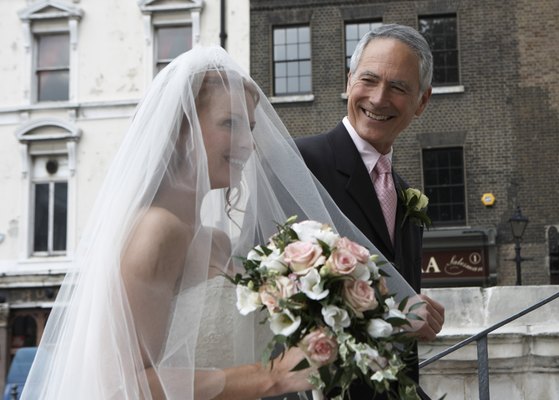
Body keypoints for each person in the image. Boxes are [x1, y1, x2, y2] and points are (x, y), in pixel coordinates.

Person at [21, 46, 401, 400]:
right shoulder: (156, 231)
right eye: (230, 124)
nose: (247, 144)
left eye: (249, 128)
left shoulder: (216, 241)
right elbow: (124, 381)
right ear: (180, 130)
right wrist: (270, 376)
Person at [296, 24, 446, 399]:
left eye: (398, 87)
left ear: (422, 102)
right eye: (368, 79)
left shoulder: (406, 194)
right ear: (349, 82)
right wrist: (396, 315)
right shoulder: (298, 164)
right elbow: (272, 298)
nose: (379, 99)